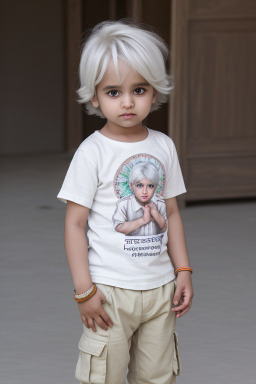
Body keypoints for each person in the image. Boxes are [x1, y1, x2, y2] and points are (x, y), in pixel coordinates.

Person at [58, 20, 193, 384]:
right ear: (94, 97)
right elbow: (74, 224)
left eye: (139, 89)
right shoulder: (92, 153)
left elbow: (173, 214)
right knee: (105, 376)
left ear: (155, 91)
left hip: (159, 288)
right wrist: (84, 290)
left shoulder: (164, 146)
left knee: (158, 376)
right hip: (109, 292)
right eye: (114, 92)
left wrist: (182, 271)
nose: (128, 102)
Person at [113, 162, 167, 236]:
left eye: (150, 186)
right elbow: (118, 227)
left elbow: (164, 228)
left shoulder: (160, 204)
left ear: (156, 187)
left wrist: (155, 213)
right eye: (140, 185)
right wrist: (143, 220)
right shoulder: (124, 205)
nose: (145, 191)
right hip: (130, 246)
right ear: (131, 186)